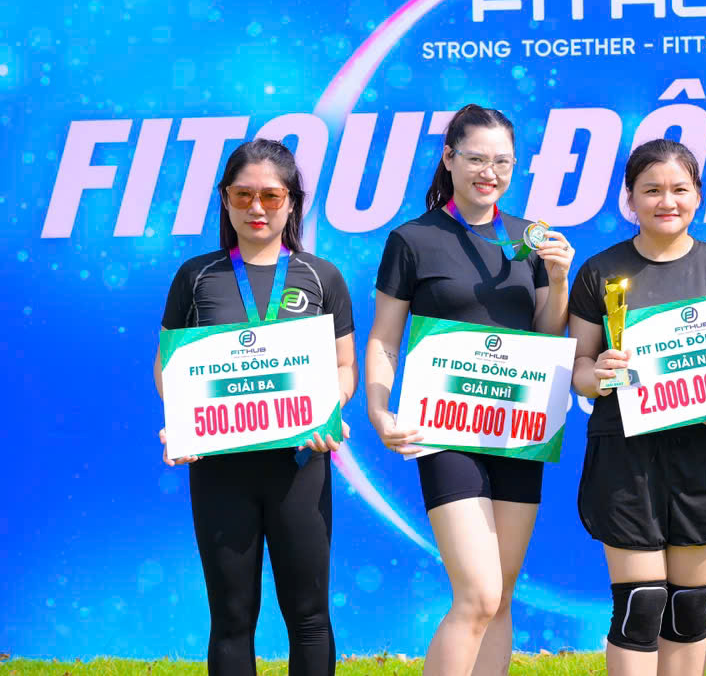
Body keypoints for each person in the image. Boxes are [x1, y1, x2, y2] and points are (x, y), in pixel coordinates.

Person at [365, 104, 574, 676]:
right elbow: (384, 338)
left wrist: (558, 279)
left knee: (501, 597)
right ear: (449, 158)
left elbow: (548, 336)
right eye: (477, 159)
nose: (490, 172)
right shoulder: (413, 239)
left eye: (502, 162)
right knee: (478, 595)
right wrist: (380, 409)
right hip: (444, 429)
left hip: (519, 430)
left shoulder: (529, 238)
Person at [155, 138, 357, 676]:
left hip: (300, 464)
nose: (257, 208)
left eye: (271, 195)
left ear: (292, 202)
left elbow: (345, 367)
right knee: (231, 618)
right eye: (243, 195)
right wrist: (181, 419)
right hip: (221, 468)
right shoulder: (196, 276)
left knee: (309, 617)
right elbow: (167, 365)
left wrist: (329, 408)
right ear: (225, 199)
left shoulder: (322, 277)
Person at [568, 138, 706, 676]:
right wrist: (598, 374)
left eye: (679, 189)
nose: (666, 201)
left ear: (698, 196)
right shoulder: (600, 271)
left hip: (703, 454)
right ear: (629, 198)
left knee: (689, 607)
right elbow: (577, 369)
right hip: (625, 456)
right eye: (651, 190)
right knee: (640, 604)